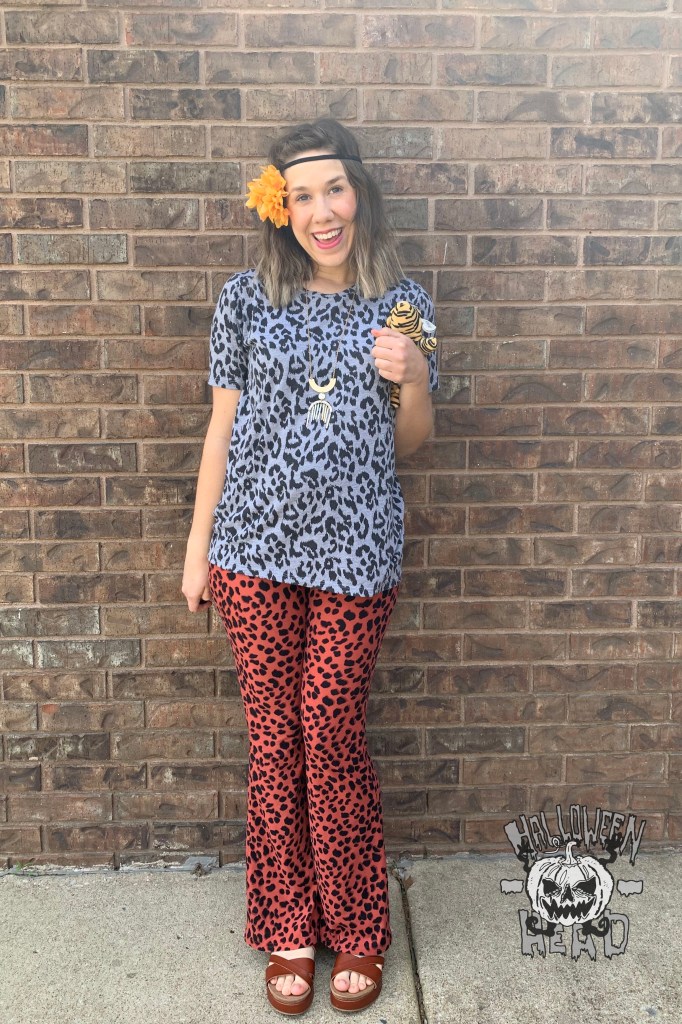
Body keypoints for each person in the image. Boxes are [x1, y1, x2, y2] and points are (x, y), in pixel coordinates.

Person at [181, 117, 438, 1016]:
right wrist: (198, 552)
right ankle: (289, 925)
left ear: (360, 194)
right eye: (301, 196)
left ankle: (358, 924)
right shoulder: (246, 298)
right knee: (275, 739)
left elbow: (412, 442)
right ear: (278, 208)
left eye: (334, 189)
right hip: (253, 553)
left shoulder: (402, 303)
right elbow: (221, 429)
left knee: (329, 729)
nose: (321, 212)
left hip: (357, 557)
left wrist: (411, 375)